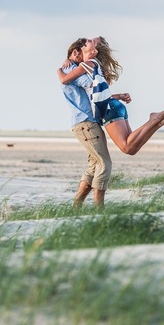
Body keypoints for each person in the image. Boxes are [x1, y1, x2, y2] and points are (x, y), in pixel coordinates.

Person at [59, 37, 164, 156]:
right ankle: (156, 124)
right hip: (114, 105)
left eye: (92, 42)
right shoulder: (96, 66)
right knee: (131, 149)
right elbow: (98, 93)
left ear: (95, 51)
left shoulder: (87, 64)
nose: (87, 42)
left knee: (126, 147)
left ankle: (153, 120)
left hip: (109, 109)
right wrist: (119, 96)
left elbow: (64, 79)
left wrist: (59, 69)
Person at [56, 43, 113, 208]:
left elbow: (90, 94)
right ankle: (99, 208)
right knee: (104, 163)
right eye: (89, 47)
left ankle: (76, 206)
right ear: (76, 52)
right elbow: (91, 86)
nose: (94, 52)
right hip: (86, 123)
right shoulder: (71, 70)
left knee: (94, 165)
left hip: (84, 122)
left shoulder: (69, 69)